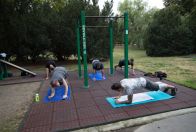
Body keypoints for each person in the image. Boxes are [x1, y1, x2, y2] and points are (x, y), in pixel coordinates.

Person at [111, 77, 177, 104]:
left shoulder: (129, 88)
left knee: (157, 88)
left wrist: (119, 102)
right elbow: (121, 90)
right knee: (155, 85)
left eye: (116, 90)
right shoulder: (121, 82)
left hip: (145, 83)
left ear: (119, 88)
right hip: (141, 80)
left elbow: (129, 101)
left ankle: (173, 87)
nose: (117, 91)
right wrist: (119, 96)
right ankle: (165, 86)